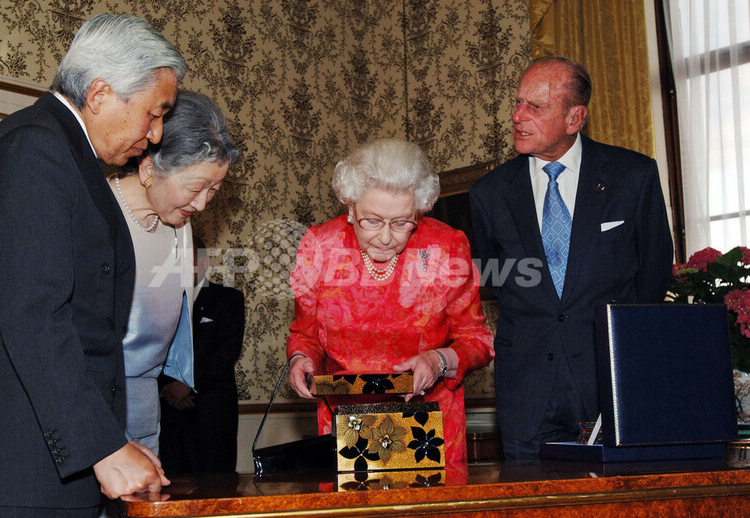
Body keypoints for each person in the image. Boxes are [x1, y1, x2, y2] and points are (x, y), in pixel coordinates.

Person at [0, 13, 187, 515]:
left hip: (39, 463)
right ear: (99, 94)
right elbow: (36, 316)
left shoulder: (64, 153)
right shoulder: (36, 149)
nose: (157, 133)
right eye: (154, 112)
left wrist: (109, 439)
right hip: (21, 470)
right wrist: (103, 447)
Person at [469, 56, 673, 462]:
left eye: (535, 107)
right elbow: (492, 273)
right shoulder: (489, 193)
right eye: (518, 102)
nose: (517, 116)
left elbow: (653, 271)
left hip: (610, 382)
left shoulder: (633, 176)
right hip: (526, 389)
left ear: (575, 118)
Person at [287, 138, 495, 467]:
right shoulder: (321, 247)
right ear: (351, 208)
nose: (386, 237)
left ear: (418, 212)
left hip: (430, 425)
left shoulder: (445, 248)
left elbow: (478, 341)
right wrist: (301, 358)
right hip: (345, 421)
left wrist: (439, 360)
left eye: (401, 223)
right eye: (372, 220)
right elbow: (305, 334)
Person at [109, 90, 239, 457]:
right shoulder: (99, 214)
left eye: (213, 191)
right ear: (149, 169)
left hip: (147, 404)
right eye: (196, 187)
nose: (200, 204)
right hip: (97, 401)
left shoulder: (179, 226)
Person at [158, 236, 245, 475]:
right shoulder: (161, 303)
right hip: (170, 416)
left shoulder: (228, 299)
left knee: (217, 492)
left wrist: (186, 383)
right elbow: (153, 350)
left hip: (212, 417)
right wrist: (167, 388)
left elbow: (226, 353)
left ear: (204, 262)